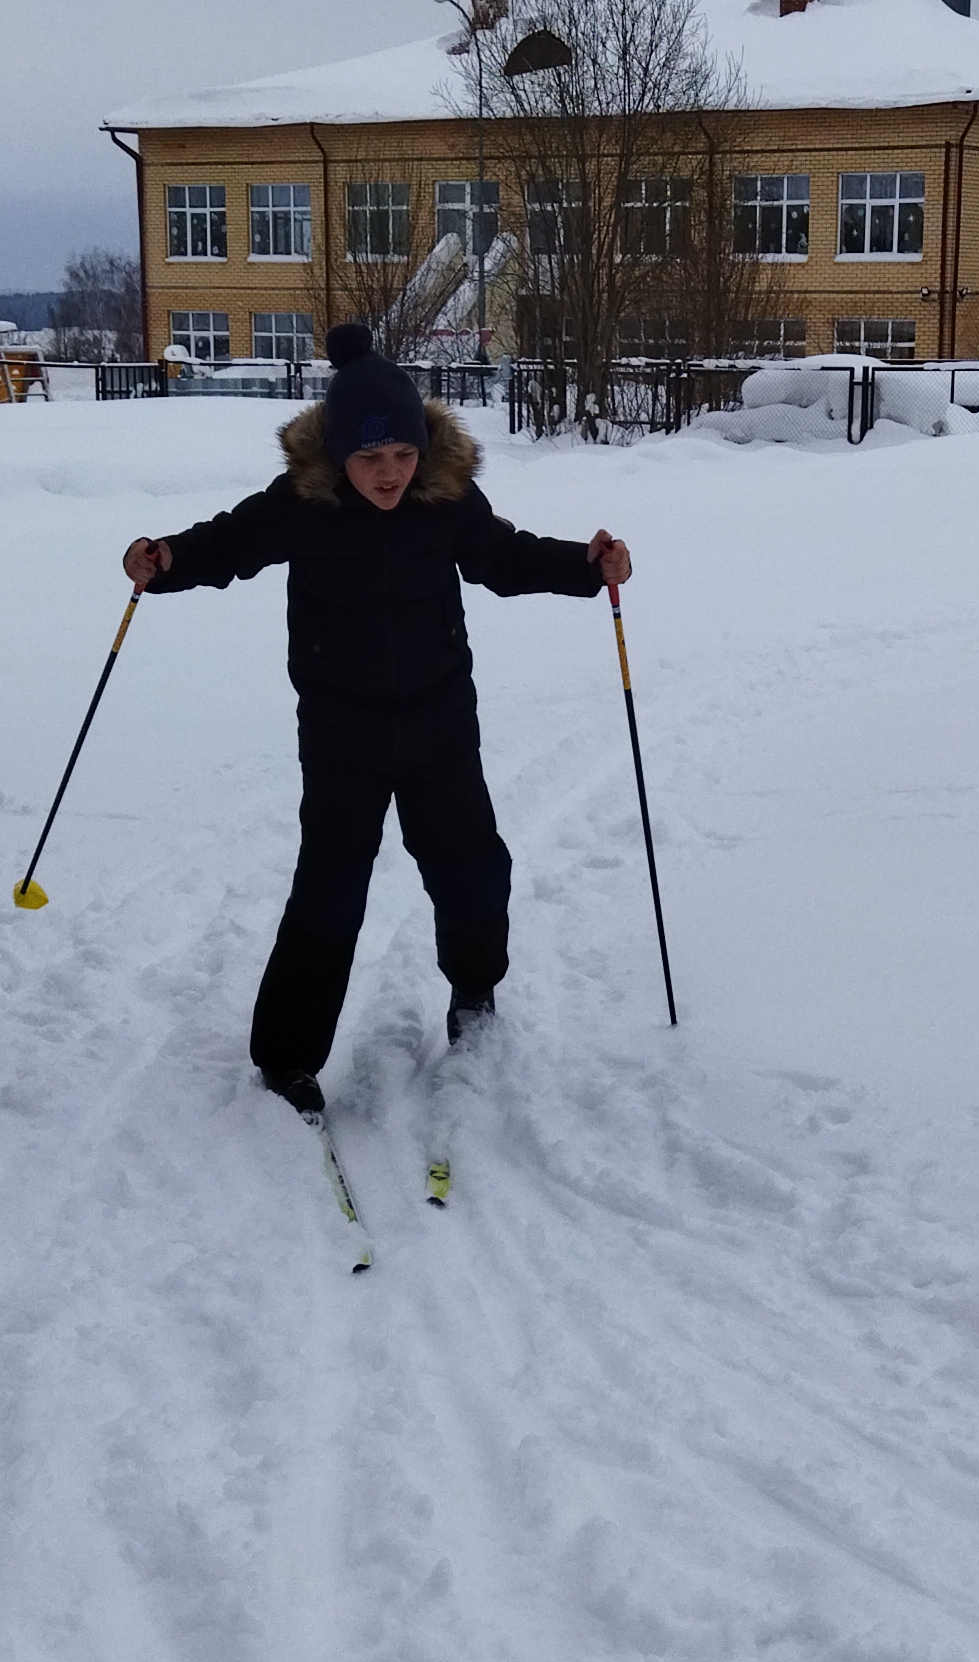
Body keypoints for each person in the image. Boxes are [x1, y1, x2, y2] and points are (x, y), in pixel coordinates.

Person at [124, 322, 633, 1111]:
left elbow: (504, 558)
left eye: (401, 454)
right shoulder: (304, 503)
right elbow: (230, 543)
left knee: (473, 872)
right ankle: (287, 1059)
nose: (389, 472)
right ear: (338, 457)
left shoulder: (445, 500)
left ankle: (474, 992)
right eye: (369, 457)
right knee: (329, 890)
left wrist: (586, 566)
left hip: (439, 726)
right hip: (342, 736)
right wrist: (165, 561)